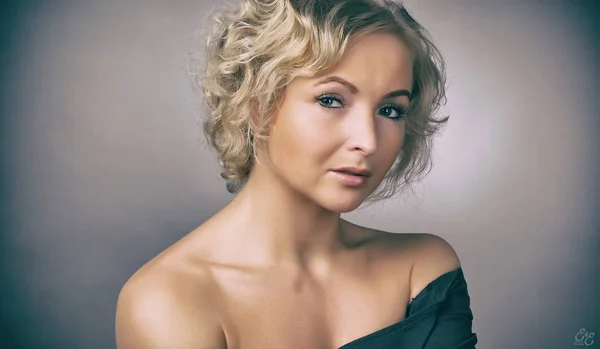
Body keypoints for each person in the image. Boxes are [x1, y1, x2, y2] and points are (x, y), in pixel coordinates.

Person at [115, 0, 477, 348]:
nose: (367, 141)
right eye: (331, 100)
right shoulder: (168, 302)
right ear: (257, 105)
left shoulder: (423, 271)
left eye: (390, 110)